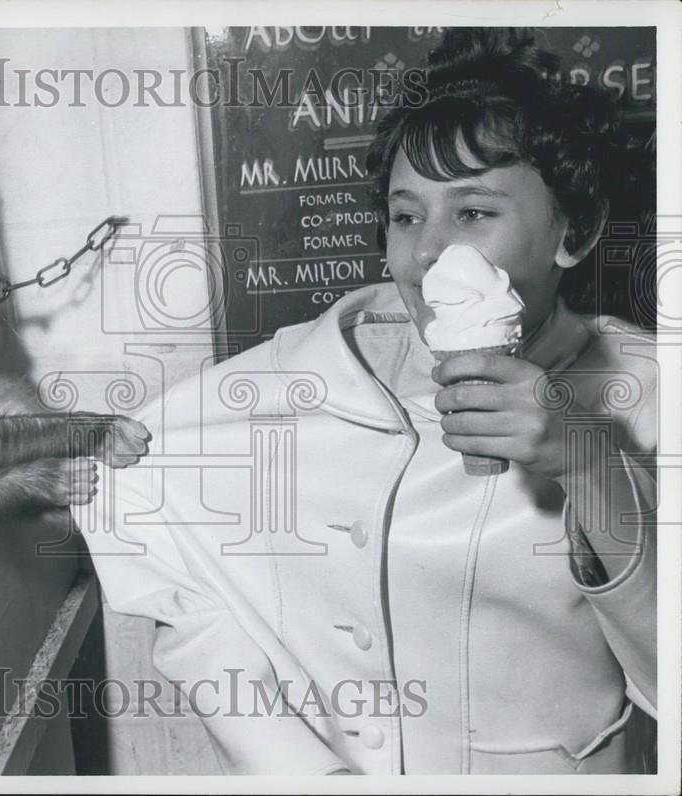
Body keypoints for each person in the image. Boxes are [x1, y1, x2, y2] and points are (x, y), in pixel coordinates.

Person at [72, 28, 656, 775]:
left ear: (574, 230)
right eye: (406, 215)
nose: (426, 254)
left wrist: (589, 462)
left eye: (473, 213)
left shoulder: (650, 388)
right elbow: (181, 569)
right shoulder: (288, 381)